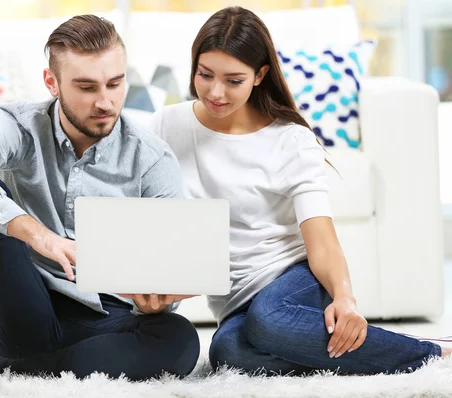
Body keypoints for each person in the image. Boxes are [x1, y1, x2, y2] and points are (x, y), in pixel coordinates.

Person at [0, 14, 200, 398]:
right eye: (86, 86)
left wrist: (157, 302)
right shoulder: (18, 125)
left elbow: (170, 268)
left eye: (115, 84)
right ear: (52, 83)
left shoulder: (152, 159)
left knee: (179, 340)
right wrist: (36, 234)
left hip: (105, 319)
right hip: (24, 305)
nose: (105, 101)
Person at [152, 6, 450, 376]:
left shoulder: (290, 138)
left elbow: (321, 240)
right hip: (234, 303)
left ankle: (430, 354)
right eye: (205, 75)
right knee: (228, 352)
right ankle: (349, 351)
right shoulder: (166, 125)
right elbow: (157, 220)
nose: (215, 92)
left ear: (260, 75)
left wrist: (344, 298)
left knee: (268, 318)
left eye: (233, 80)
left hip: (293, 280)